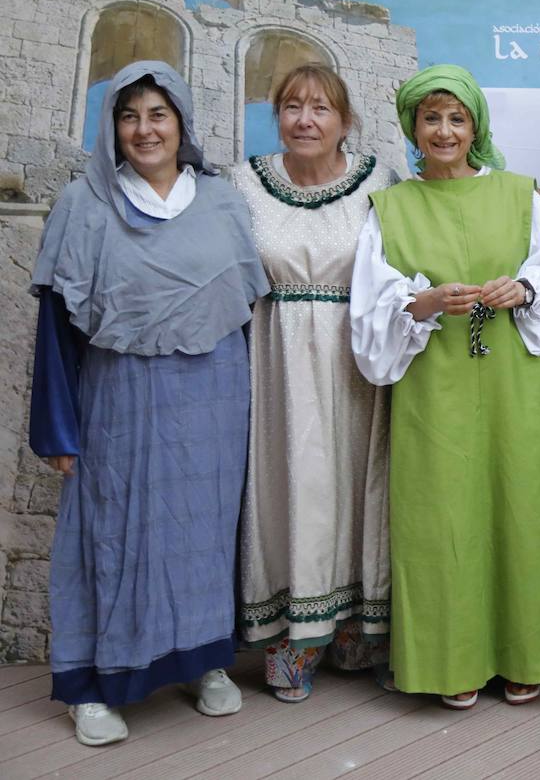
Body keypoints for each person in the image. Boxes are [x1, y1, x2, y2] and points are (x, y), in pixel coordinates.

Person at [29, 61, 269, 745]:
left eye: (158, 114)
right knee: (112, 530)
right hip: (120, 392)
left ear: (182, 122)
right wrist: (58, 430)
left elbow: (242, 311)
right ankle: (91, 683)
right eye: (129, 115)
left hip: (214, 393)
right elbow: (56, 325)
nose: (144, 129)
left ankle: (201, 660)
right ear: (112, 127)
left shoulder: (221, 201)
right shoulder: (86, 202)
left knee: (202, 530)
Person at [350, 64, 540, 708]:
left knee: (521, 510)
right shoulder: (391, 209)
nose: (445, 130)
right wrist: (419, 304)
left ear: (475, 125)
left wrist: (527, 287)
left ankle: (524, 651)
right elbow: (371, 312)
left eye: (457, 118)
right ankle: (451, 659)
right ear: (413, 130)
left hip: (513, 384)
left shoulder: (521, 196)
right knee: (441, 518)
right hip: (434, 391)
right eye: (431, 119)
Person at [230, 64, 393, 702]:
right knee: (288, 486)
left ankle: (355, 630)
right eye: (292, 107)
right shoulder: (244, 184)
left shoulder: (379, 182)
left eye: (321, 108)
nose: (305, 119)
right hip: (273, 360)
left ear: (345, 121)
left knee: (356, 484)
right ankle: (292, 639)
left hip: (356, 362)